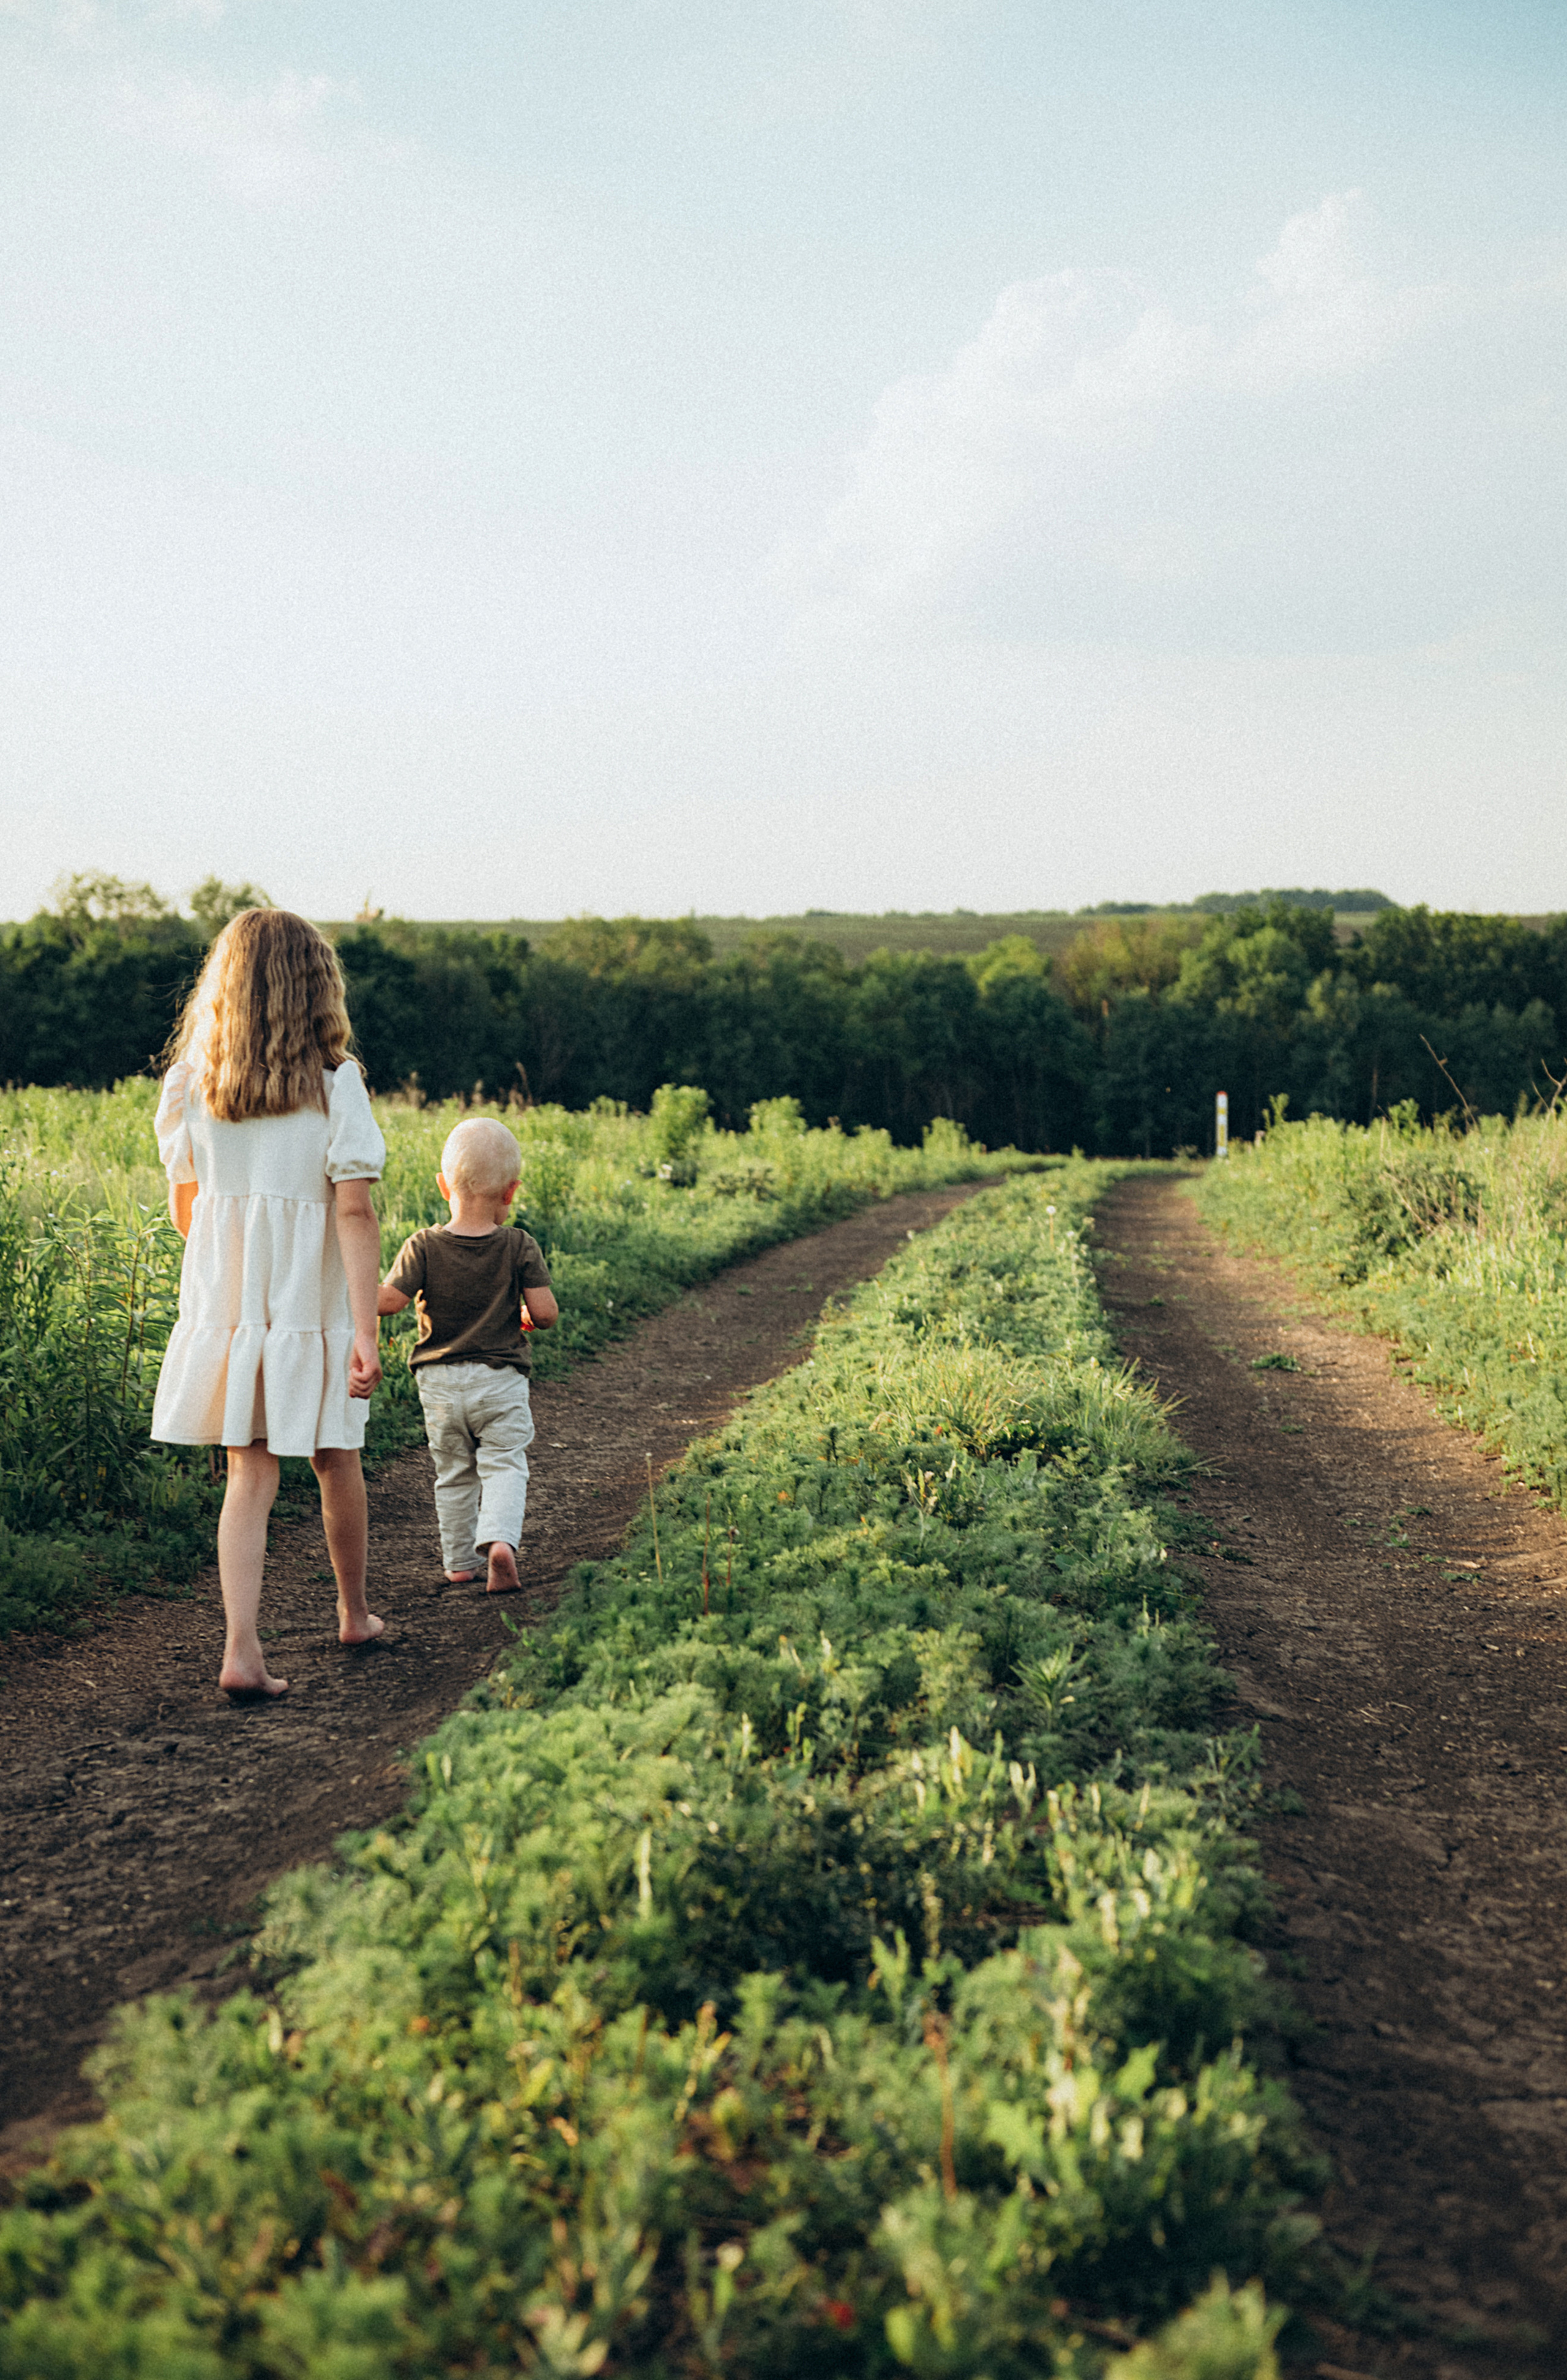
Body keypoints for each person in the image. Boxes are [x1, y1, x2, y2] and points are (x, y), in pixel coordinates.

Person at [151, 908, 387, 1702]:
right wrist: (364, 1329)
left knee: (247, 1476)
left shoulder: (190, 1087)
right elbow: (354, 1212)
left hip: (232, 1304)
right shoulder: (335, 1084)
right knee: (334, 1458)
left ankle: (242, 1650)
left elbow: (188, 1217)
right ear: (317, 989)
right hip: (310, 1306)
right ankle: (353, 1613)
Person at [378, 1117, 558, 1596]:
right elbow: (544, 1315)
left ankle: (459, 1564)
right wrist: (520, 1310)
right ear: (511, 1192)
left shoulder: (422, 1246)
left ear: (443, 1186)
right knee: (503, 1464)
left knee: (454, 1474)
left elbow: (387, 1302)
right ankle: (499, 1543)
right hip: (499, 1381)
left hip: (438, 1384)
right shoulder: (520, 1245)